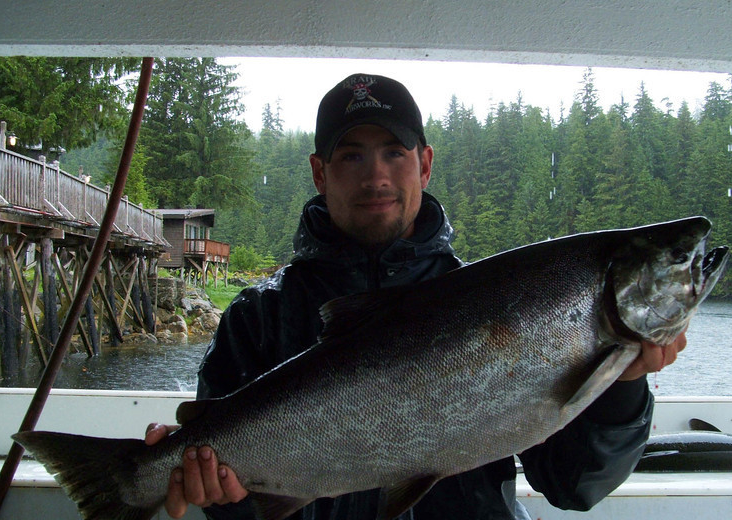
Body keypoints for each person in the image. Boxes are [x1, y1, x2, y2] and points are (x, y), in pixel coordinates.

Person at [146, 73, 687, 520]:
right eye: (351, 156)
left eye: (393, 153)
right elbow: (243, 506)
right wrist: (217, 494)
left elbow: (574, 485)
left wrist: (624, 387)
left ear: (424, 165)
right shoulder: (257, 318)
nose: (375, 176)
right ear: (319, 173)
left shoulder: (500, 306)